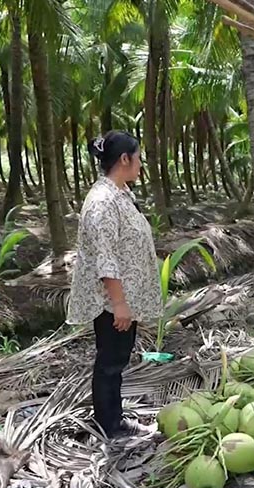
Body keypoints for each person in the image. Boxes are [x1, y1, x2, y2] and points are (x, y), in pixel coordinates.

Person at [67, 131, 162, 440]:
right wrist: (119, 303)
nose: (141, 164)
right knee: (110, 362)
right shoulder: (102, 202)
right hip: (112, 301)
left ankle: (115, 419)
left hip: (124, 299)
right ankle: (110, 426)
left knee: (116, 360)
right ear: (125, 159)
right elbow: (105, 257)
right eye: (138, 157)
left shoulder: (119, 193)